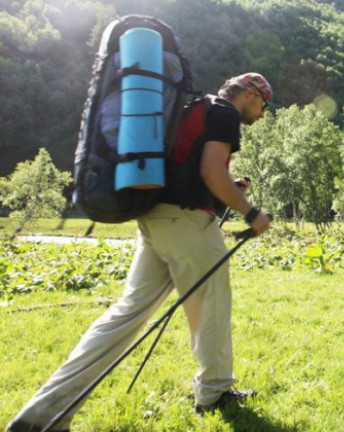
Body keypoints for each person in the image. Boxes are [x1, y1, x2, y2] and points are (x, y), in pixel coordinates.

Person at [8, 73, 273, 432]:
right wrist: (251, 212)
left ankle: (40, 416)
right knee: (211, 307)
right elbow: (211, 169)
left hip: (154, 218)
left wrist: (227, 187)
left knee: (125, 316)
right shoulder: (224, 113)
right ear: (249, 93)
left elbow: (191, 167)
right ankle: (214, 392)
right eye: (264, 104)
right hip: (186, 223)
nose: (262, 114)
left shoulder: (192, 106)